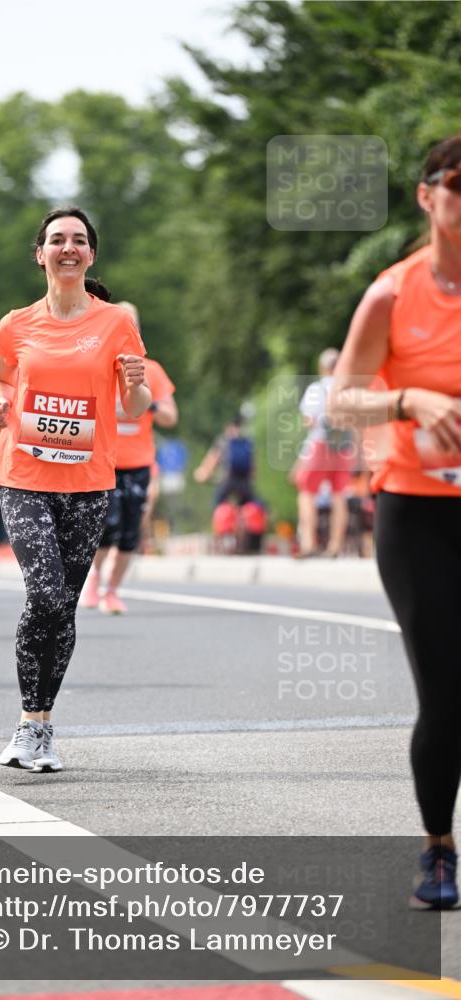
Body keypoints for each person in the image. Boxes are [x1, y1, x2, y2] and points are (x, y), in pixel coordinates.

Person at [328, 134, 461, 909]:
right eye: (456, 182)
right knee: (445, 690)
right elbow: (339, 400)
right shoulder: (392, 293)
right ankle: (437, 846)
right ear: (427, 196)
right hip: (418, 513)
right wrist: (408, 400)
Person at [0, 207, 150, 772]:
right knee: (48, 594)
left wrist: (136, 388)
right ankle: (29, 724)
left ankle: (40, 727)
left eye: (78, 240)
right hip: (24, 477)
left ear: (91, 255)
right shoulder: (15, 323)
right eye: (57, 239)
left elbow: (135, 406)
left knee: (63, 608)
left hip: (88, 481)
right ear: (41, 253)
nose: (68, 247)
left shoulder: (115, 325)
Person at [80, 301, 177, 614]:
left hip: (138, 463)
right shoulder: (96, 366)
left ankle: (113, 590)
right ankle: (94, 577)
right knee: (106, 526)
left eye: (132, 323)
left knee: (130, 531)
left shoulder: (153, 371)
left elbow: (170, 417)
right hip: (102, 462)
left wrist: (144, 401)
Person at [294, 348, 354, 557]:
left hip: (320, 444)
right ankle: (335, 545)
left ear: (322, 368)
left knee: (307, 493)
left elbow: (309, 421)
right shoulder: (349, 389)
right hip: (345, 447)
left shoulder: (316, 389)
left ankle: (309, 543)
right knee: (339, 496)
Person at [194, 414, 254, 506]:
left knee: (217, 507)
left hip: (227, 482)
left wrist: (203, 474)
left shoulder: (224, 441)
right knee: (252, 506)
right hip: (245, 485)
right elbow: (253, 469)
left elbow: (211, 461)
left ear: (228, 426)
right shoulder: (247, 442)